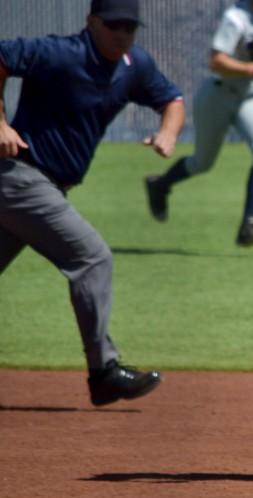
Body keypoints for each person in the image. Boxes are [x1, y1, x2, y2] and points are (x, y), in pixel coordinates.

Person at [0, 0, 184, 406]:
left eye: (130, 28)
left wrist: (168, 133)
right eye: (115, 25)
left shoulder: (133, 65)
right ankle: (103, 371)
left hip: (37, 187)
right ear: (92, 23)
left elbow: (171, 100)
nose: (123, 34)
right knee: (93, 257)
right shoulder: (61, 52)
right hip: (21, 178)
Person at [144, 0, 253, 246]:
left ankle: (249, 224)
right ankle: (160, 185)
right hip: (219, 94)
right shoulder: (236, 17)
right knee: (202, 162)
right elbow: (216, 60)